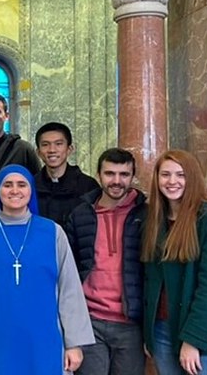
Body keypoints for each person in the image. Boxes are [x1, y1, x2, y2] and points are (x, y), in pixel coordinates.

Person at [0, 164, 93, 375]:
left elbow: (69, 290)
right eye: (7, 185)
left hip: (44, 338)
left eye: (21, 185)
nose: (14, 190)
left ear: (31, 190)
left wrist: (74, 344)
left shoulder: (53, 232)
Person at [141, 150, 207, 375]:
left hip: (203, 333)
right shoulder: (154, 220)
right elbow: (152, 281)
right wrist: (149, 334)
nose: (172, 181)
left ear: (192, 178)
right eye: (165, 175)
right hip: (162, 329)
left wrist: (194, 340)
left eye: (180, 175)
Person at [63, 148, 146, 375]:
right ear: (99, 175)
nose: (117, 181)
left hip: (130, 322)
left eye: (124, 174)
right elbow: (67, 268)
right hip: (89, 321)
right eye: (110, 174)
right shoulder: (80, 214)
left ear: (132, 177)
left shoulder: (147, 215)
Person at [34, 122, 99, 226]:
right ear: (38, 152)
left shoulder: (88, 186)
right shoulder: (31, 185)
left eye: (58, 144)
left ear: (69, 149)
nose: (52, 150)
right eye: (45, 145)